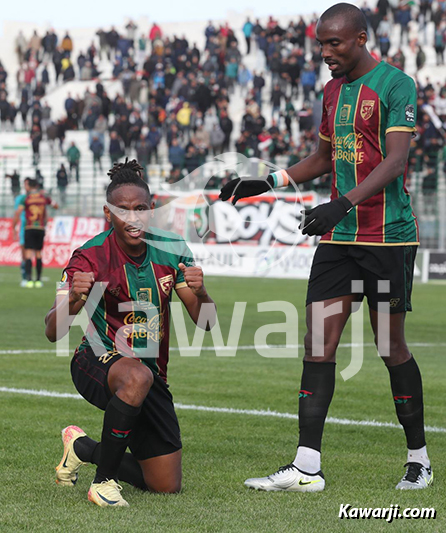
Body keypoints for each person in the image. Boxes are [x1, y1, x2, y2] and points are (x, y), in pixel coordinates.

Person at [220, 3, 432, 492]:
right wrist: (266, 181)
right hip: (338, 241)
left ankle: (419, 459)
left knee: (390, 346)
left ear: (360, 39)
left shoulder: (396, 85)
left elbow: (396, 161)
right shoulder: (332, 90)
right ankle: (306, 467)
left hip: (386, 236)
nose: (325, 52)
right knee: (318, 346)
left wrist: (343, 204)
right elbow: (323, 156)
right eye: (320, 43)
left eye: (334, 43)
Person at [44, 159, 216, 507]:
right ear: (108, 213)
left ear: (152, 211)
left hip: (150, 376)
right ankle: (103, 483)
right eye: (123, 210)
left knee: (165, 485)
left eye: (140, 209)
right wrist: (75, 298)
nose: (133, 218)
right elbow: (53, 329)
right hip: (95, 361)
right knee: (135, 376)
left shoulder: (173, 249)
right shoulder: (89, 257)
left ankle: (82, 448)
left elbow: (207, 322)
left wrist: (201, 293)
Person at [12, 178, 58, 288]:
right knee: (38, 253)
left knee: (28, 253)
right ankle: (38, 280)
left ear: (29, 186)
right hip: (40, 228)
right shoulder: (43, 197)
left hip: (29, 227)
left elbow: (18, 212)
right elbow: (55, 206)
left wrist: (14, 227)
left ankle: (28, 280)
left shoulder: (26, 198)